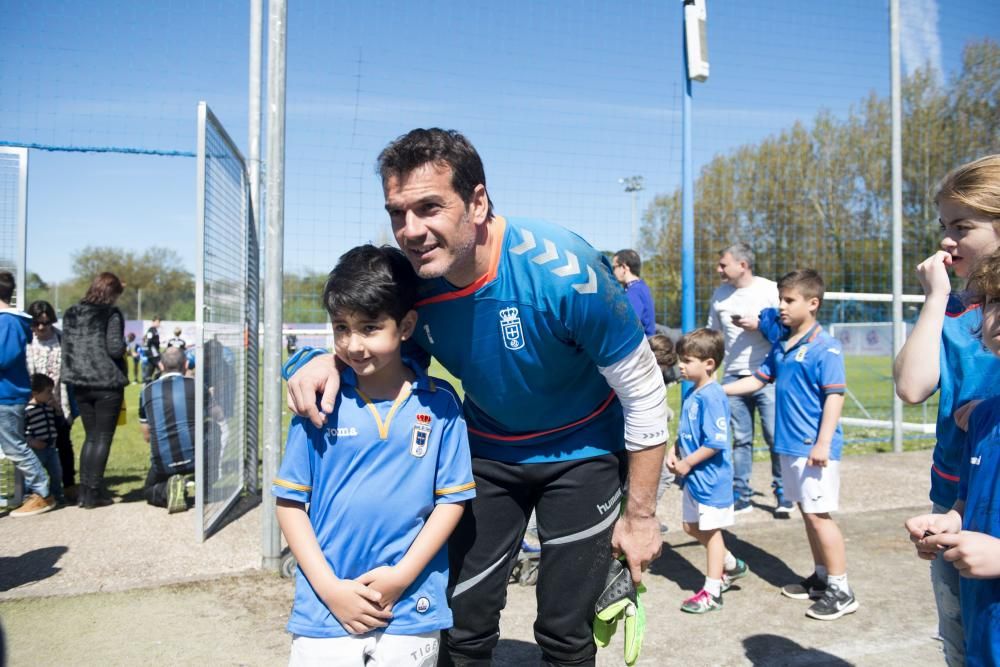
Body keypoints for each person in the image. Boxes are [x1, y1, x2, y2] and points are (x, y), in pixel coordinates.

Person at [284, 128, 668, 665]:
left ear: (478, 202)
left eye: (429, 207)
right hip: (488, 449)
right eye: (398, 212)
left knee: (564, 629)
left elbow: (647, 396)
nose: (411, 230)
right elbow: (371, 335)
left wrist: (642, 515)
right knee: (463, 622)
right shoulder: (417, 279)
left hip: (583, 453)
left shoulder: (567, 273)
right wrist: (314, 359)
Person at [274, 245, 475, 664]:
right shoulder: (318, 403)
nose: (352, 344)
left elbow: (451, 500)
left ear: (406, 326)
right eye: (341, 328)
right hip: (326, 611)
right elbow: (290, 503)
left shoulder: (441, 405)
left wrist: (401, 578)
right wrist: (331, 589)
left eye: (369, 328)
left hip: (410, 607)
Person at [893, 154, 1000, 665]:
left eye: (963, 227)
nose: (946, 241)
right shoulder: (955, 309)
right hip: (958, 502)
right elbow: (912, 387)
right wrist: (936, 299)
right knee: (965, 642)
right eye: (944, 226)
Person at [724, 269, 858, 621]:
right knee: (807, 514)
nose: (780, 307)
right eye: (780, 299)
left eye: (789, 300)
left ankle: (842, 590)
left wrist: (822, 443)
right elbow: (757, 379)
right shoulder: (783, 345)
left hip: (812, 449)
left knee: (819, 516)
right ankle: (822, 576)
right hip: (788, 446)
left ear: (813, 304)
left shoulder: (825, 347)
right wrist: (717, 389)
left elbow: (834, 397)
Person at [666, 328, 748, 614]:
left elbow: (715, 441)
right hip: (693, 479)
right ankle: (730, 564)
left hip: (711, 480)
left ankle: (713, 591)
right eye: (681, 360)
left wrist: (687, 463)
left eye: (687, 360)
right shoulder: (693, 393)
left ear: (709, 363)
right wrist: (675, 450)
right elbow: (689, 432)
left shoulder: (713, 396)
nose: (681, 365)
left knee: (711, 533)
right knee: (690, 527)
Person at [706, 242, 787, 517]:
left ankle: (783, 494)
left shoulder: (770, 290)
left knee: (775, 437)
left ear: (743, 265)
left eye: (723, 264)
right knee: (740, 439)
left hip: (767, 376)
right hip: (732, 375)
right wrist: (711, 377)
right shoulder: (720, 295)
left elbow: (786, 330)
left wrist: (760, 325)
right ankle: (741, 495)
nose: (719, 269)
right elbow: (713, 339)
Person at [61, 272, 129, 509]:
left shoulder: (71, 313)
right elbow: (114, 348)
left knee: (90, 437)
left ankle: (86, 492)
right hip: (106, 382)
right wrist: (124, 346)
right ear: (112, 293)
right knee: (102, 438)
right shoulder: (110, 313)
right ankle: (92, 493)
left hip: (80, 383)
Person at [0, 271, 55, 517]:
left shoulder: (9, 322)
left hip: (6, 397)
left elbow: (4, 357)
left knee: (14, 447)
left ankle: (43, 493)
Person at [26, 299, 76, 494]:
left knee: (64, 442)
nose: (41, 327)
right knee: (35, 446)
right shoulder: (27, 341)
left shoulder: (62, 340)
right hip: (33, 404)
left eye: (46, 323)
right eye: (36, 323)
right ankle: (36, 490)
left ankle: (69, 484)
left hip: (57, 401)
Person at [138, 347, 195, 513]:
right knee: (214, 428)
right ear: (186, 364)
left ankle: (166, 491)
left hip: (164, 461)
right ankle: (207, 484)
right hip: (197, 459)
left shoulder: (146, 392)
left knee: (149, 490)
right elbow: (218, 416)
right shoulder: (197, 386)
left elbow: (147, 436)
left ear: (161, 366)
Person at [25, 373, 64, 505]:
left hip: (51, 448)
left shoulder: (49, 407)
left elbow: (60, 424)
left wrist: (58, 410)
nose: (51, 395)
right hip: (37, 449)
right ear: (35, 393)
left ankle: (57, 495)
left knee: (57, 473)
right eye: (48, 392)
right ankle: (30, 497)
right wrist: (31, 441)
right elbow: (22, 431)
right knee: (34, 475)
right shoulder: (28, 410)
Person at [612, 249, 657, 337]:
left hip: (639, 347)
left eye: (614, 267)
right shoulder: (641, 287)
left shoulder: (633, 292)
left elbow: (629, 325)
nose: (613, 272)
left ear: (624, 267)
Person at [143, 317, 161, 382]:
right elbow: (148, 341)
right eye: (158, 322)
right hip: (153, 354)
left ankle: (147, 382)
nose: (159, 324)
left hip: (152, 353)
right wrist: (148, 351)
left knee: (150, 369)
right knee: (161, 368)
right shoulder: (151, 330)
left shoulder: (154, 330)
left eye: (159, 322)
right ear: (153, 322)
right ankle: (155, 381)